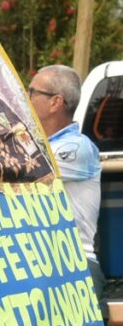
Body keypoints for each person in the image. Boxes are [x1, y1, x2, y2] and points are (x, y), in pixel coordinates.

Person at [28, 64, 106, 312]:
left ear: (55, 102)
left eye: (32, 92)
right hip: (42, 268)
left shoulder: (77, 148)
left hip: (75, 268)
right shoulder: (37, 145)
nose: (25, 98)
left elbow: (19, 174)